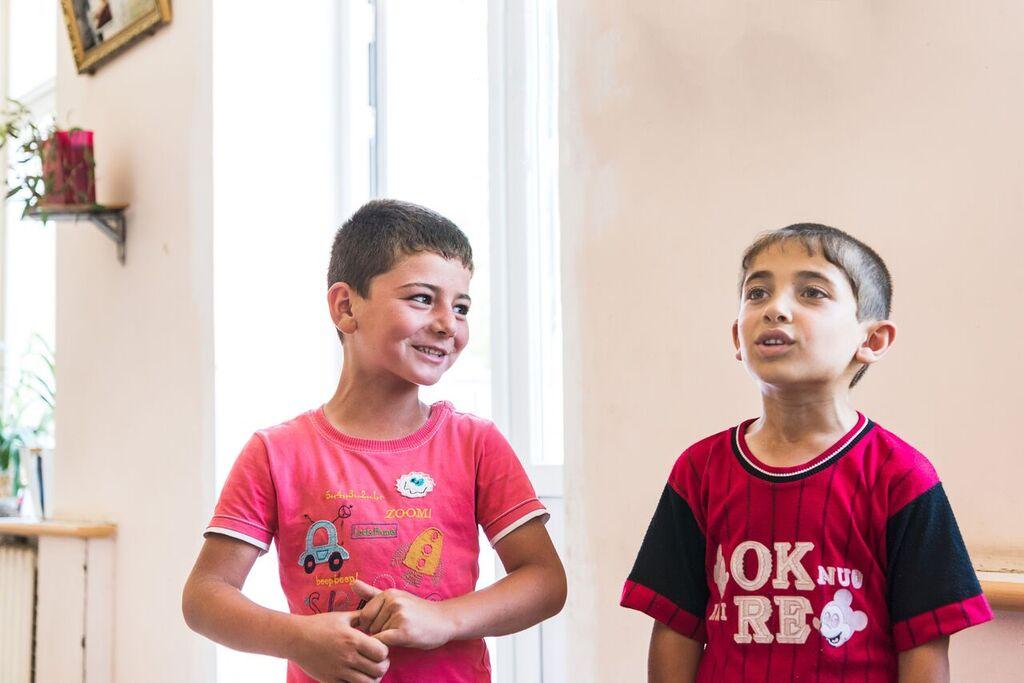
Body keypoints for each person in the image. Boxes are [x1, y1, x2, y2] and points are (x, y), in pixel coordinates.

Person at [183, 199, 566, 683]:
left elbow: (545, 580)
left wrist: (444, 619)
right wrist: (298, 638)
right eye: (423, 298)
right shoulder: (276, 453)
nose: (449, 323)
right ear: (346, 306)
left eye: (461, 307)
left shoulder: (476, 444)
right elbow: (205, 596)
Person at [621, 224, 992, 682]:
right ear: (737, 337)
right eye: (757, 293)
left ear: (871, 340)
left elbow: (924, 647)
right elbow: (675, 629)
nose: (775, 308)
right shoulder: (698, 471)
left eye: (812, 292)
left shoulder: (902, 476)